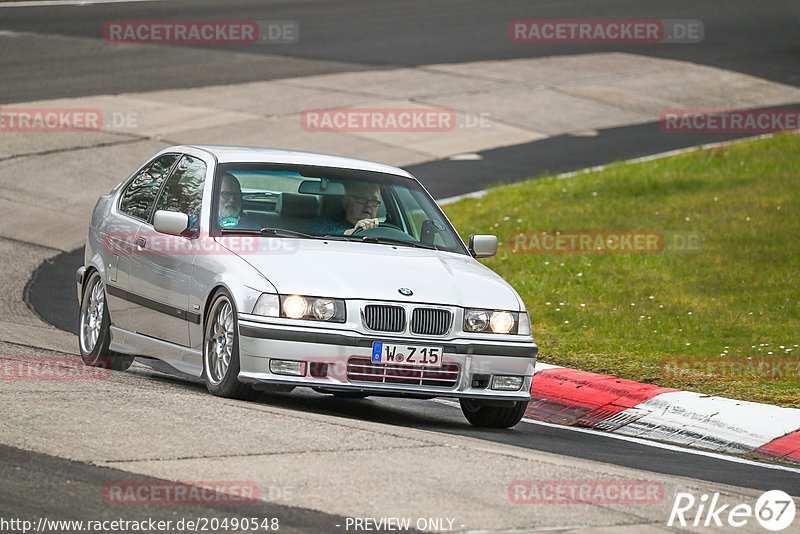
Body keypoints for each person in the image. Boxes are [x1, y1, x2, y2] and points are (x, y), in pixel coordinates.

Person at [306, 182, 381, 236]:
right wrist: (353, 232)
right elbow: (316, 236)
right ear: (346, 202)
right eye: (362, 199)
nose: (368, 205)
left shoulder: (383, 229)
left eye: (374, 201)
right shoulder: (323, 223)